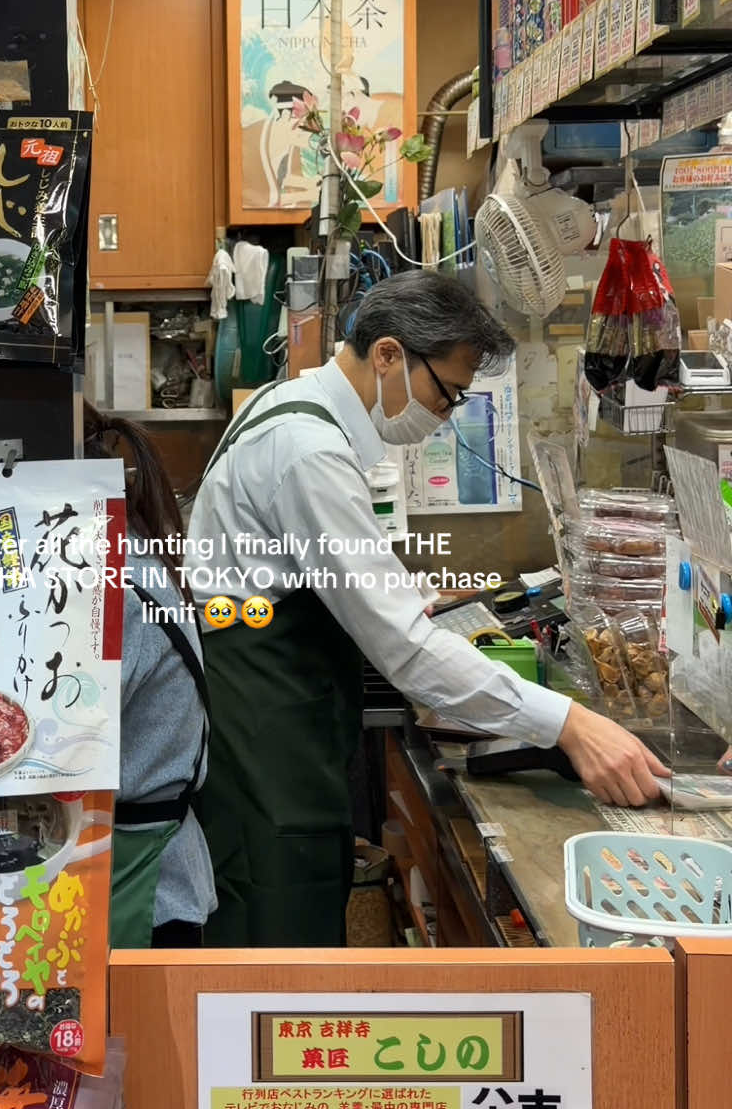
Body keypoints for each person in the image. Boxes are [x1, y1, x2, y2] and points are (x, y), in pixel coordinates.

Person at [187, 270, 669, 948]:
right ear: (388, 355)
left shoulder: (290, 404)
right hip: (261, 741)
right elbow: (407, 653)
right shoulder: (309, 451)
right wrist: (569, 724)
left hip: (271, 716)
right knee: (273, 953)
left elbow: (302, 569)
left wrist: (404, 595)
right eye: (447, 393)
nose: (446, 414)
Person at [84, 402, 217, 947]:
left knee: (132, 1037)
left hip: (144, 888)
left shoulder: (115, 591)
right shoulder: (121, 557)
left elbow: (64, 745)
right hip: (124, 866)